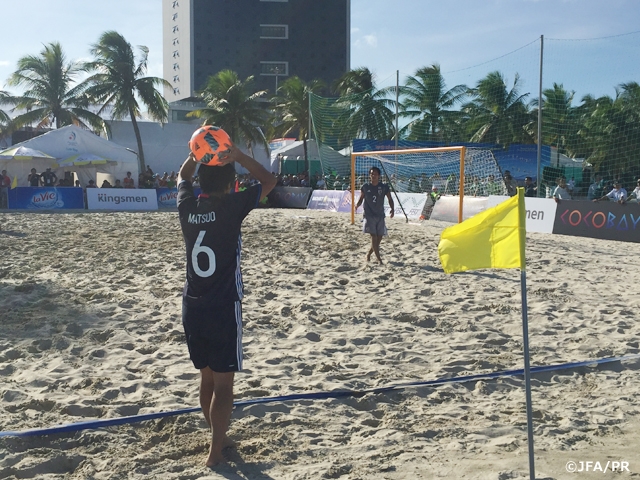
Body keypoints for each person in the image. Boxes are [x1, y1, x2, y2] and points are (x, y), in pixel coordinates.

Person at [176, 143, 276, 468]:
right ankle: (215, 452)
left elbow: (181, 175)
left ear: (200, 182)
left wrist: (196, 154)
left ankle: (217, 438)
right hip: (222, 308)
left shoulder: (186, 205)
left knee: (207, 380)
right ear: (231, 183)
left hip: (192, 306)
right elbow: (269, 181)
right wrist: (239, 156)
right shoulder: (232, 206)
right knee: (223, 386)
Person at [354, 166, 394, 264]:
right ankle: (379, 259)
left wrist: (392, 209)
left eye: (375, 174)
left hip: (380, 215)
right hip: (369, 215)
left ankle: (368, 254)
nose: (373, 175)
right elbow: (361, 198)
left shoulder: (384, 187)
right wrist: (357, 205)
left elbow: (389, 198)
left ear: (379, 176)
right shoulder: (365, 186)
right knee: (374, 237)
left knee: (379, 237)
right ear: (369, 175)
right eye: (371, 174)